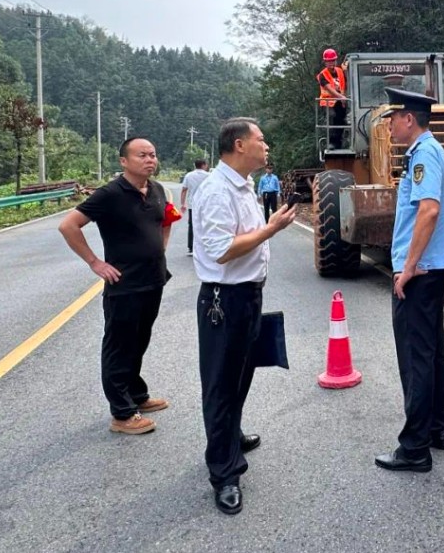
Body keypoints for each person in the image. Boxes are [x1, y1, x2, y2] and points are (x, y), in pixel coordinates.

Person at [192, 117, 297, 514]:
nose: (266, 145)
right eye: (261, 139)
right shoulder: (217, 190)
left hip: (248, 295)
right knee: (220, 385)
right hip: (225, 300)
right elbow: (221, 249)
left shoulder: (244, 185)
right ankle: (224, 473)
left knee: (241, 374)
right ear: (239, 145)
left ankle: (230, 436)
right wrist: (271, 230)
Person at [58, 137, 171, 435]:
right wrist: (95, 263)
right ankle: (121, 414)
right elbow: (68, 226)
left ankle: (136, 394)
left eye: (153, 154)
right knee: (119, 345)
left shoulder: (158, 189)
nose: (149, 160)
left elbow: (166, 220)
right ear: (123, 161)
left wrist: (160, 250)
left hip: (153, 280)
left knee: (140, 340)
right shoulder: (109, 194)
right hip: (124, 284)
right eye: (141, 155)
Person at [375, 87, 444, 473]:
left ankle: (414, 448)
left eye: (393, 118)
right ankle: (436, 430)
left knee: (415, 357)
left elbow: (428, 211)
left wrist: (407, 267)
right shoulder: (429, 151)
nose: (389, 124)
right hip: (433, 267)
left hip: (419, 271)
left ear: (409, 119)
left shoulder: (423, 153)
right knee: (431, 351)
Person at [316, 47, 348, 149]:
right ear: (325, 62)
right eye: (329, 61)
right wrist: (341, 97)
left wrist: (346, 70)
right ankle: (331, 144)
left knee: (342, 120)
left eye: (333, 61)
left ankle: (339, 143)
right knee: (332, 119)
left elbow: (346, 81)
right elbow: (330, 90)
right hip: (328, 102)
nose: (331, 63)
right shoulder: (322, 75)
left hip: (340, 102)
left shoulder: (340, 71)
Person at [180, 158, 210, 254]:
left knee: (192, 225)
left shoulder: (189, 175)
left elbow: (184, 190)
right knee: (206, 225)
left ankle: (191, 247)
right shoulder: (209, 176)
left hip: (193, 205)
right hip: (206, 205)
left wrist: (183, 203)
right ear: (204, 165)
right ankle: (205, 246)